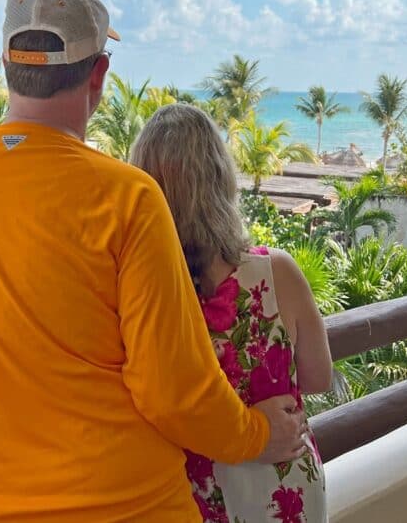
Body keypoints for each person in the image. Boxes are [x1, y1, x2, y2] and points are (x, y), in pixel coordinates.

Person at [0, 0, 306, 522]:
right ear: (99, 75)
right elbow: (174, 392)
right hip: (131, 508)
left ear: (7, 68)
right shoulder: (127, 197)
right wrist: (259, 434)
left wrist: (13, 376)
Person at [130, 103, 333, 523]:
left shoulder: (140, 291)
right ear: (221, 178)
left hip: (193, 491)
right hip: (283, 482)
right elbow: (317, 377)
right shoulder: (276, 272)